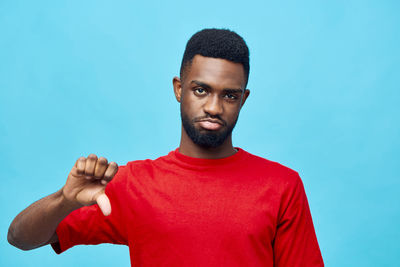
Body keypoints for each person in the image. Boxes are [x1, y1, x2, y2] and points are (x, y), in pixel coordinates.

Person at [8, 28, 324, 266]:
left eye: (229, 95)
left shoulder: (282, 185)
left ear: (243, 99)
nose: (214, 107)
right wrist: (65, 201)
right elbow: (19, 238)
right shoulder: (133, 183)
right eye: (201, 90)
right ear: (179, 89)